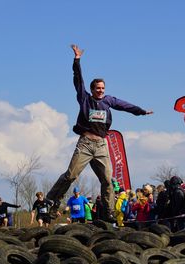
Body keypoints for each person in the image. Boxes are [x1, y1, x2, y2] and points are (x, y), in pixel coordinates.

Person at [46, 44, 153, 223]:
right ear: (93, 89)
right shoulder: (84, 98)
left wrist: (140, 111)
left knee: (107, 181)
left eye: (103, 88)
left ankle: (108, 211)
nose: (101, 91)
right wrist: (77, 60)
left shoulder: (108, 100)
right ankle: (53, 200)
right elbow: (78, 80)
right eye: (98, 88)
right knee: (71, 175)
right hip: (86, 144)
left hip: (101, 145)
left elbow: (124, 105)